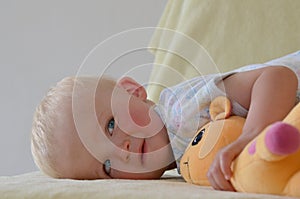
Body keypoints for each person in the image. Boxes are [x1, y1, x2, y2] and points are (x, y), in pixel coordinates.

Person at [31, 51, 300, 191]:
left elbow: (277, 77)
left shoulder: (181, 112)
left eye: (110, 125)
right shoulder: (186, 163)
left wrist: (250, 137)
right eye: (107, 165)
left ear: (132, 91)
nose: (121, 150)